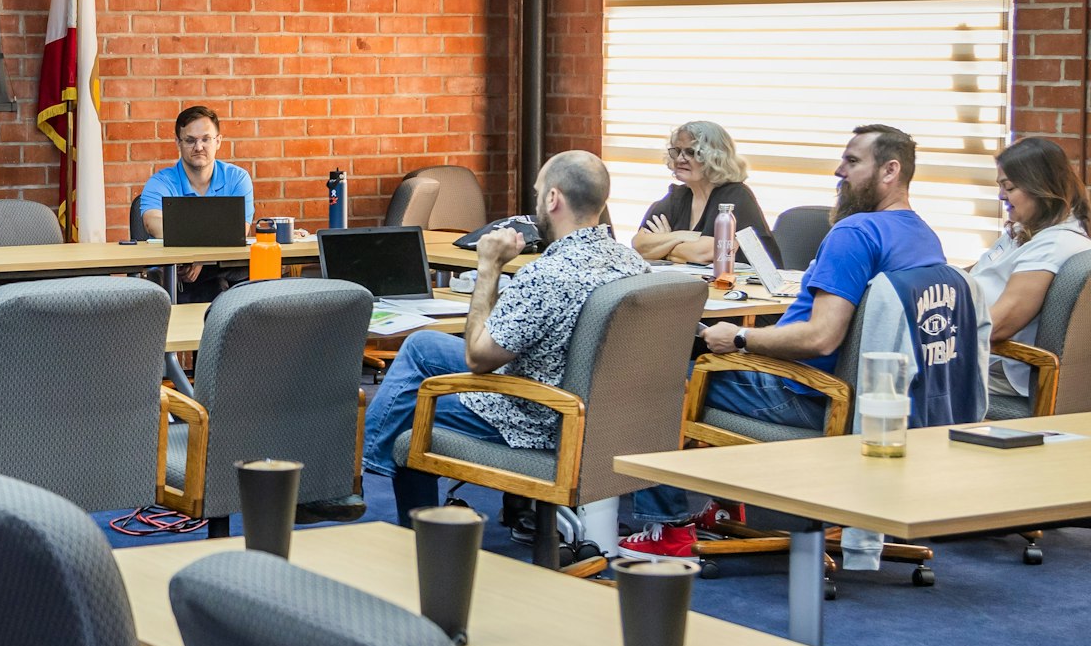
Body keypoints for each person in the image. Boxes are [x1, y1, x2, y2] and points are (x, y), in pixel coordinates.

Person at [627, 123, 946, 559]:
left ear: (890, 170)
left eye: (852, 162)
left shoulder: (855, 235)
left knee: (661, 376)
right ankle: (723, 506)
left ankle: (667, 528)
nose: (839, 171)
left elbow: (820, 336)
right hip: (876, 401)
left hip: (805, 392)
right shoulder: (921, 233)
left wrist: (738, 337)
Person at [363, 151, 647, 526]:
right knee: (421, 345)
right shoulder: (633, 264)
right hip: (605, 414)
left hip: (539, 417)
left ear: (552, 199)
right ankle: (365, 464)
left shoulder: (548, 275)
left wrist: (489, 267)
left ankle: (409, 521)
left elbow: (479, 357)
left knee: (410, 413)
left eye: (537, 192)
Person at [970, 136, 1091, 405]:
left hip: (998, 365)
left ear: (1039, 187)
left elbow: (998, 325)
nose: (1001, 196)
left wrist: (938, 335)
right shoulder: (1030, 231)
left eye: (1008, 187)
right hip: (982, 352)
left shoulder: (1053, 245)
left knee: (893, 371)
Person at [139, 105, 255, 302]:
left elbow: (237, 231)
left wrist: (203, 257)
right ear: (178, 142)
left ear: (218, 141)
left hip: (226, 270)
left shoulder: (237, 178)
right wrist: (195, 254)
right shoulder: (160, 182)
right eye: (190, 140)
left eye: (206, 139)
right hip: (177, 275)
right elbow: (155, 223)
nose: (198, 147)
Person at [632, 121, 778, 265]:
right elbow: (638, 246)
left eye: (691, 152)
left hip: (749, 287)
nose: (680, 159)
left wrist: (663, 249)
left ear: (716, 157)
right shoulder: (677, 196)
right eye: (676, 151)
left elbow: (703, 253)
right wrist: (682, 236)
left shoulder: (735, 195)